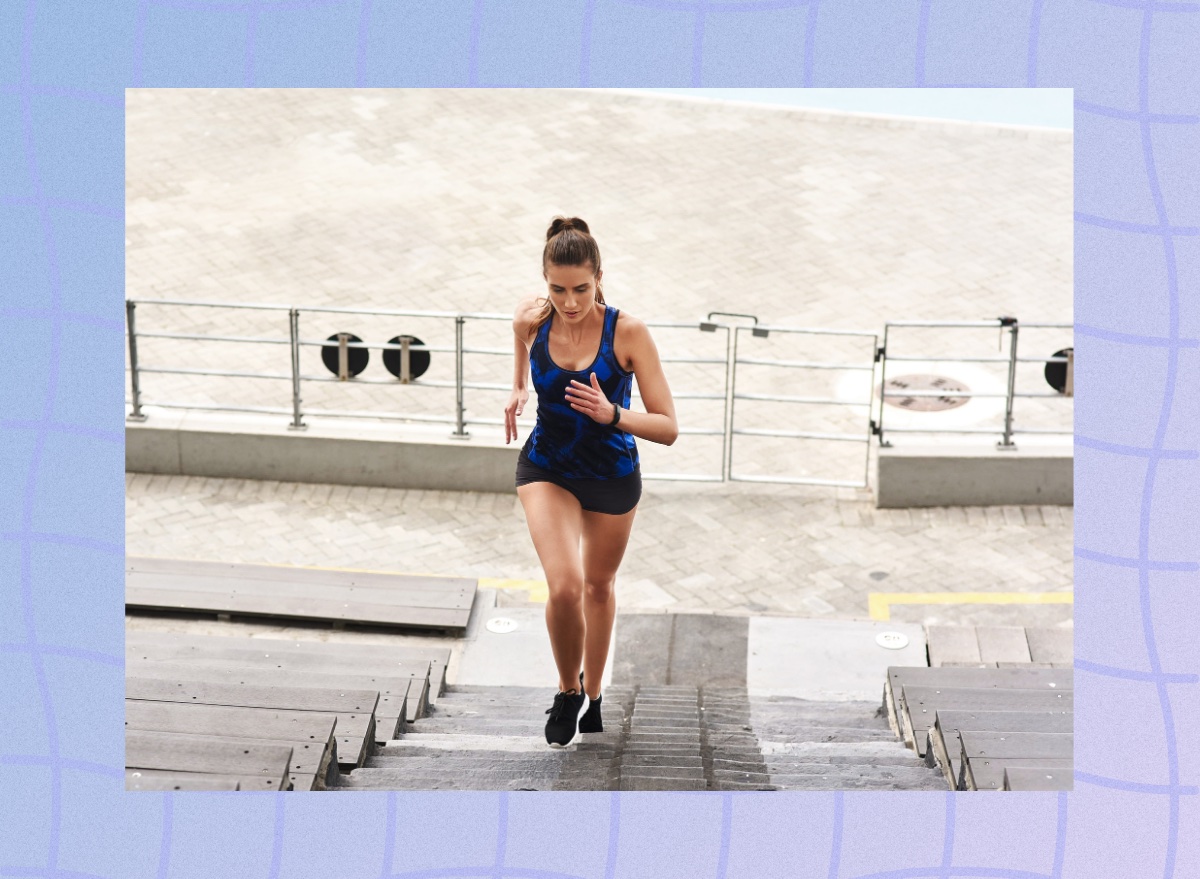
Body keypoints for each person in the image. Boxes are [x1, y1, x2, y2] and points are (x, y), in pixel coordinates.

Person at [505, 216, 678, 748]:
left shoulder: (628, 333)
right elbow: (523, 367)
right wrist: (516, 392)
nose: (570, 301)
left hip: (610, 474)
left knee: (599, 588)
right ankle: (567, 689)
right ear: (545, 281)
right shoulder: (530, 322)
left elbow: (668, 427)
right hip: (548, 467)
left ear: (599, 277)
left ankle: (595, 691)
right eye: (557, 289)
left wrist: (613, 414)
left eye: (581, 289)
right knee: (564, 586)